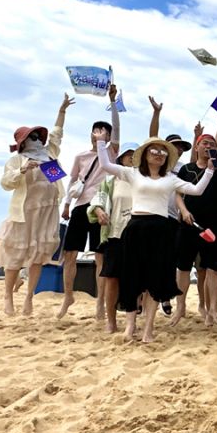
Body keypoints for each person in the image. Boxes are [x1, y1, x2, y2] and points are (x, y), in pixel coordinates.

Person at [95, 137, 214, 342]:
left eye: (163, 151)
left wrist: (210, 170)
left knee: (155, 280)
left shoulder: (170, 178)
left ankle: (148, 328)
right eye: (154, 150)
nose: (159, 154)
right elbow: (105, 164)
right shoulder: (132, 173)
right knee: (132, 278)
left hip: (161, 229)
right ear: (145, 154)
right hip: (135, 227)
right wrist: (100, 142)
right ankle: (130, 326)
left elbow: (197, 190)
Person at [0, 93, 74, 316]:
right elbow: (5, 183)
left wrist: (62, 111)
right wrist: (22, 170)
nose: (37, 140)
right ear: (23, 142)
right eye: (32, 137)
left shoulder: (48, 155)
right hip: (23, 213)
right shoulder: (17, 160)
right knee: (14, 257)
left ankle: (29, 297)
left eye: (38, 136)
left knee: (39, 256)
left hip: (47, 211)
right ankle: (8, 296)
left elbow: (57, 136)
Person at [59, 85, 120, 320]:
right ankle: (67, 296)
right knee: (70, 253)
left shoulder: (111, 153)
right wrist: (65, 205)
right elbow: (73, 180)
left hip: (102, 207)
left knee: (99, 257)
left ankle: (100, 306)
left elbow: (116, 134)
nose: (100, 133)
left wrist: (113, 102)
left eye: (104, 130)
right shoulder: (81, 156)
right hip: (80, 206)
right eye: (97, 130)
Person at [173, 99, 217, 326]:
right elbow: (177, 193)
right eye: (204, 142)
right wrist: (183, 210)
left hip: (213, 223)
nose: (208, 145)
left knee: (213, 268)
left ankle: (213, 310)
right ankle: (181, 308)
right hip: (188, 223)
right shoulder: (186, 169)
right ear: (196, 147)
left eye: (212, 143)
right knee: (183, 266)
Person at [147, 95, 194, 316]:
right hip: (153, 215)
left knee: (169, 262)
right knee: (149, 259)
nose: (179, 150)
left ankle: (165, 297)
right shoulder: (156, 164)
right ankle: (146, 298)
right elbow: (152, 139)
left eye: (182, 148)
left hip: (175, 219)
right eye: (175, 146)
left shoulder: (183, 168)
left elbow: (196, 167)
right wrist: (156, 113)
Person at [87, 141, 138, 333]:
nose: (132, 158)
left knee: (134, 279)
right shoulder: (110, 181)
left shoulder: (142, 179)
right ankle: (111, 321)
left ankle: (131, 322)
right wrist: (99, 211)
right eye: (129, 154)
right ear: (121, 158)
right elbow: (97, 200)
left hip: (137, 235)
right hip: (115, 234)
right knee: (111, 279)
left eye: (135, 155)